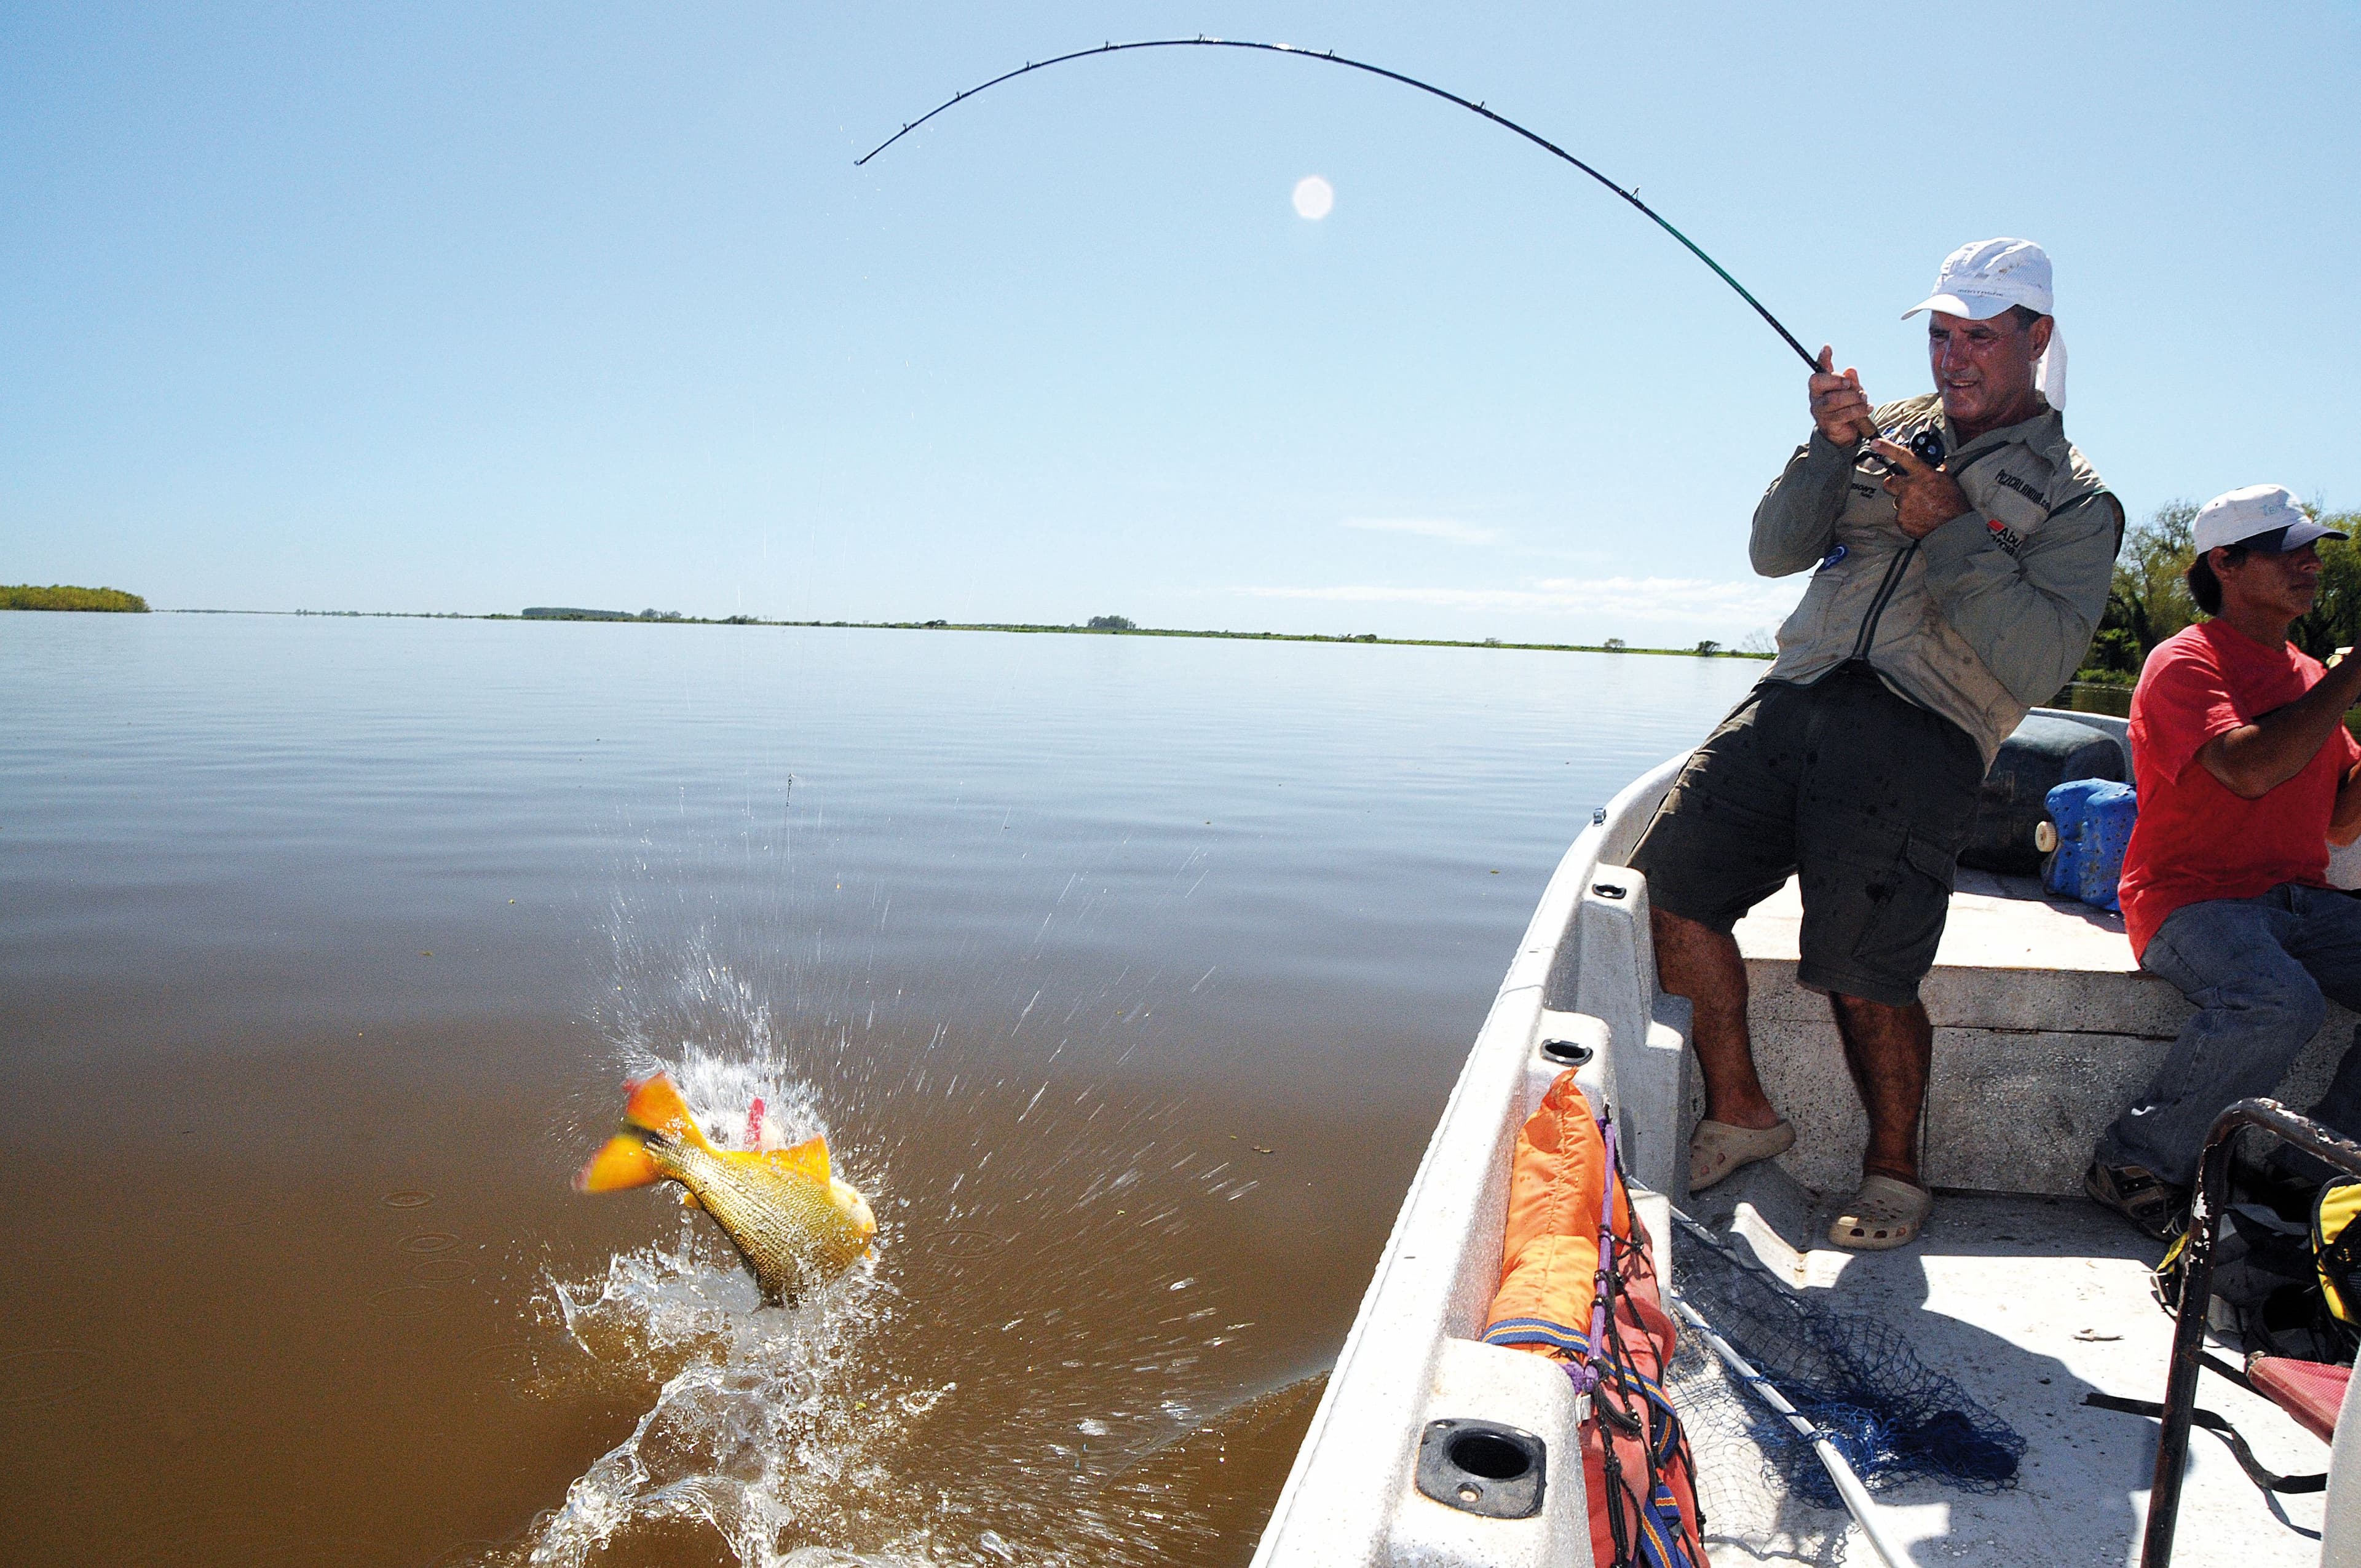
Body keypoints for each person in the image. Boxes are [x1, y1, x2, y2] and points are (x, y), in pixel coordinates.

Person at [1628, 238, 2121, 1249]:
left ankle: (1895, 1170)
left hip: (1923, 733)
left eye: (1979, 337)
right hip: (1794, 698)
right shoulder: (1880, 429)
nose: (1953, 359)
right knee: (1664, 894)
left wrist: (1948, 531)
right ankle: (1743, 1110)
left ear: (2036, 338)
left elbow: (2039, 663)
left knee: (1866, 970)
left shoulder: (2077, 497)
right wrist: (1822, 445)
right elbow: (1773, 552)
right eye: (1941, 335)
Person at [2086, 485, 2361, 1239]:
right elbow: (2248, 771)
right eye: (2288, 550)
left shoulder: (2311, 678)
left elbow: (2341, 821)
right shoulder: (2184, 663)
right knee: (2280, 1002)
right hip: (2189, 900)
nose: (2310, 564)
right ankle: (2135, 1165)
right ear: (2226, 565)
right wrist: (2352, 678)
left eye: (2313, 549)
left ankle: (2310, 1179)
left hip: (2297, 901)